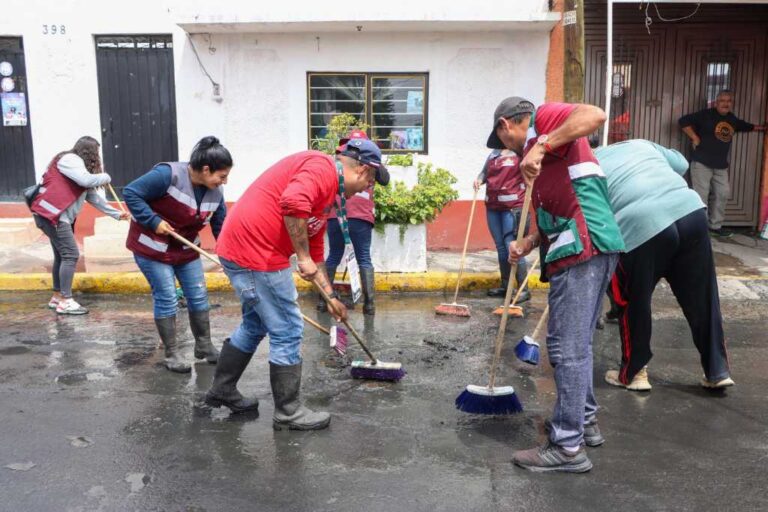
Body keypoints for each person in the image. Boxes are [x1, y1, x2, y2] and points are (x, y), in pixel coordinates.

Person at [204, 141, 384, 430]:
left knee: (254, 325)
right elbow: (292, 202)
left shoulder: (328, 196)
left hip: (247, 250)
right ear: (362, 170)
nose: (365, 190)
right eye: (370, 182)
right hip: (256, 253)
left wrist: (329, 297)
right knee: (287, 327)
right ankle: (288, 412)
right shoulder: (321, 169)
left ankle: (222, 390)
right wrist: (301, 258)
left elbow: (315, 251)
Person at [490, 97, 625, 473]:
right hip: (582, 248)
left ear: (507, 125)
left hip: (586, 244)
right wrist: (528, 242)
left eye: (504, 140)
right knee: (577, 344)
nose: (510, 149)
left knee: (566, 348)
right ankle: (586, 423)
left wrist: (541, 144)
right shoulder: (532, 163)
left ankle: (567, 446)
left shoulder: (546, 122)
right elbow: (545, 216)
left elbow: (595, 115)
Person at [594, 139, 733, 391]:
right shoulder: (641, 144)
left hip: (641, 223)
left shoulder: (589, 162)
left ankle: (635, 373)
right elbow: (680, 163)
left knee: (634, 300)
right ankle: (717, 371)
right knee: (703, 298)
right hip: (689, 211)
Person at [123, 136, 231, 373]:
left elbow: (220, 224)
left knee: (199, 296)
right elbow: (131, 193)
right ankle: (171, 354)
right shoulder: (167, 175)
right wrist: (152, 221)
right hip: (152, 249)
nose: (224, 181)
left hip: (186, 249)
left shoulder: (215, 191)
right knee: (167, 297)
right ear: (205, 169)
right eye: (221, 175)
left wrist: (227, 254)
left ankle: (203, 346)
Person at [30, 136, 129, 315]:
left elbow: (92, 196)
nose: (97, 157)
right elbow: (86, 180)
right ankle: (66, 301)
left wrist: (117, 214)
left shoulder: (78, 169)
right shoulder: (70, 160)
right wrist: (105, 176)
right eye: (96, 153)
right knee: (71, 254)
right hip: (53, 215)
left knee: (62, 255)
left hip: (54, 216)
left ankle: (57, 296)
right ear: (89, 152)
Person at [317, 129, 390, 315]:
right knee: (363, 257)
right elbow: (385, 178)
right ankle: (369, 305)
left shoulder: (340, 158)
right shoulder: (369, 164)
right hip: (360, 216)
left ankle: (322, 301)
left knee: (334, 254)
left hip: (336, 213)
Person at [679, 90, 766, 237]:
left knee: (723, 194)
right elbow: (683, 121)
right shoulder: (706, 114)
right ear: (716, 103)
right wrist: (694, 137)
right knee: (701, 196)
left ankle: (715, 225)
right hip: (702, 162)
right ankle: (700, 228)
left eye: (729, 101)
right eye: (722, 101)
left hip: (720, 166)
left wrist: (762, 128)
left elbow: (745, 126)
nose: (726, 104)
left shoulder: (732, 119)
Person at [473, 149, 530, 300]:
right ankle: (506, 287)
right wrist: (479, 179)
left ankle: (523, 289)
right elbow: (484, 173)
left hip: (512, 207)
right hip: (493, 206)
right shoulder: (493, 154)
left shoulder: (520, 152)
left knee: (512, 246)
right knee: (500, 247)